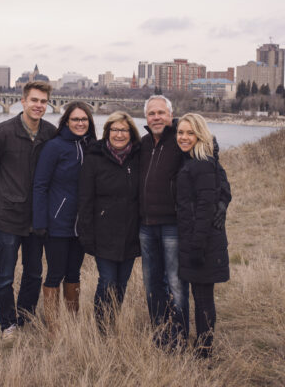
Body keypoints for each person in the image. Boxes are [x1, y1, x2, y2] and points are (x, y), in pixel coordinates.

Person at [138, 95, 230, 349]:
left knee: (177, 285)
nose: (156, 117)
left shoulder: (181, 141)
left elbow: (217, 178)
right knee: (152, 284)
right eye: (151, 114)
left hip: (172, 225)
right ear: (146, 118)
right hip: (146, 225)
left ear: (170, 115)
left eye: (161, 113)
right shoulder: (144, 144)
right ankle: (162, 332)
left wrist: (222, 203)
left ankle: (179, 335)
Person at [0, 80, 57, 340]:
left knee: (34, 273)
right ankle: (7, 325)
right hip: (8, 219)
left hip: (37, 220)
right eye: (34, 100)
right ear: (23, 101)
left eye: (43, 101)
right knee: (5, 276)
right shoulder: (2, 133)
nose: (39, 105)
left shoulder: (50, 134)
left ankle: (25, 318)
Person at [32, 101, 96, 330]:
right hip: (57, 223)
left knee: (74, 272)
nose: (80, 123)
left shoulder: (92, 146)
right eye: (75, 119)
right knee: (55, 273)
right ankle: (53, 326)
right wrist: (40, 221)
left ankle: (72, 322)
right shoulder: (55, 147)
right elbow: (40, 185)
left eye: (84, 119)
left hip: (82, 224)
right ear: (66, 121)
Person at [77, 111, 142, 333]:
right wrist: (86, 234)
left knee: (121, 284)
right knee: (107, 281)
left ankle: (113, 321)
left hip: (131, 232)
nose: (119, 134)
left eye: (124, 130)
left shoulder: (139, 157)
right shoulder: (94, 158)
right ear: (107, 132)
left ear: (131, 133)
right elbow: (85, 199)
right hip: (103, 232)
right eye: (114, 129)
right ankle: (101, 328)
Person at [175, 113, 230, 358]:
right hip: (195, 239)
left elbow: (205, 208)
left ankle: (205, 348)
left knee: (203, 297)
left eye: (189, 133)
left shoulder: (202, 163)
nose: (184, 137)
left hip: (203, 242)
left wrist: (197, 246)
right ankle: (203, 344)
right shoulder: (199, 160)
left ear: (200, 134)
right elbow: (223, 189)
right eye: (180, 132)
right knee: (200, 294)